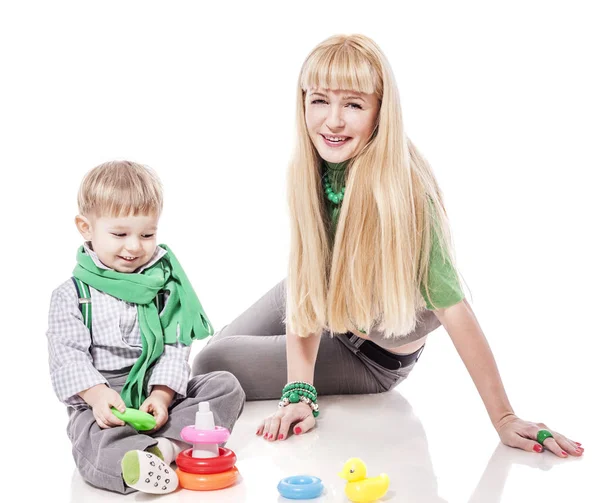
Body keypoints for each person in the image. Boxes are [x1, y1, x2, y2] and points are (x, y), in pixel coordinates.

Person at [192, 34, 583, 459]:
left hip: (367, 354)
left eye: (354, 105)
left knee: (212, 365)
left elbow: (453, 308)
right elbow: (306, 286)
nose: (333, 121)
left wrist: (505, 417)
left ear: (381, 112)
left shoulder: (402, 192)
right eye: (320, 100)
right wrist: (298, 392)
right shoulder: (310, 170)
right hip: (330, 300)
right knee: (215, 348)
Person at [46, 160, 245, 494]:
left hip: (155, 396)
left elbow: (174, 346)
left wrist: (162, 395)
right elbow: (67, 357)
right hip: (103, 403)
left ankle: (164, 449)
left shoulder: (164, 288)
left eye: (147, 234)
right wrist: (97, 396)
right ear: (86, 227)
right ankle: (137, 457)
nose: (135, 246)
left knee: (224, 385)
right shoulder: (71, 295)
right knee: (93, 439)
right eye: (120, 234)